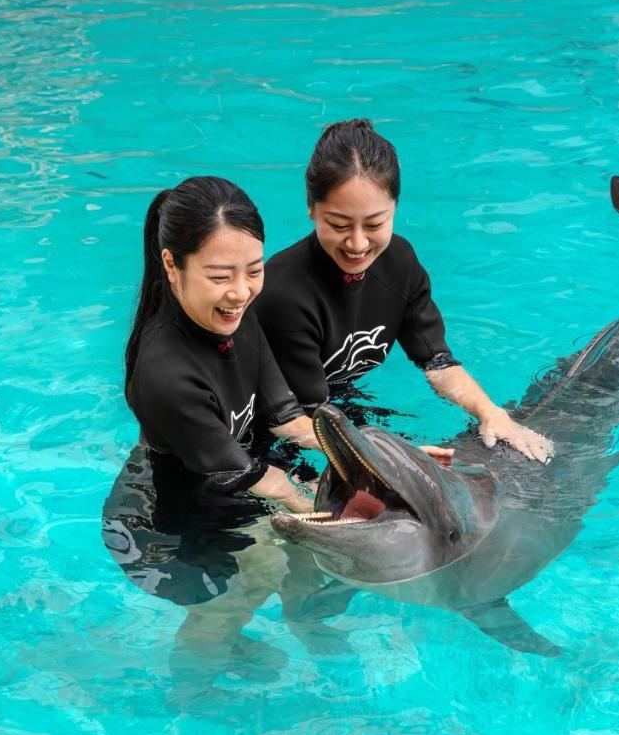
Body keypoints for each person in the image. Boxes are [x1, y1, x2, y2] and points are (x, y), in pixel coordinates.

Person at [253, 119, 552, 462]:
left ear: (395, 207)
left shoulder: (399, 262)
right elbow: (301, 418)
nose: (357, 243)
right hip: (275, 431)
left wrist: (491, 413)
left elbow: (437, 363)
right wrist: (393, 457)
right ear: (311, 207)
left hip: (336, 411)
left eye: (375, 223)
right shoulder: (284, 293)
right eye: (338, 225)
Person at [123, 175, 318, 532]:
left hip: (247, 478)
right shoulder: (164, 374)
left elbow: (287, 417)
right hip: (186, 525)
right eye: (219, 277)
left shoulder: (231, 316)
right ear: (171, 264)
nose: (241, 293)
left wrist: (370, 459)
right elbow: (247, 474)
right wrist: (351, 508)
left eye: (254, 271)